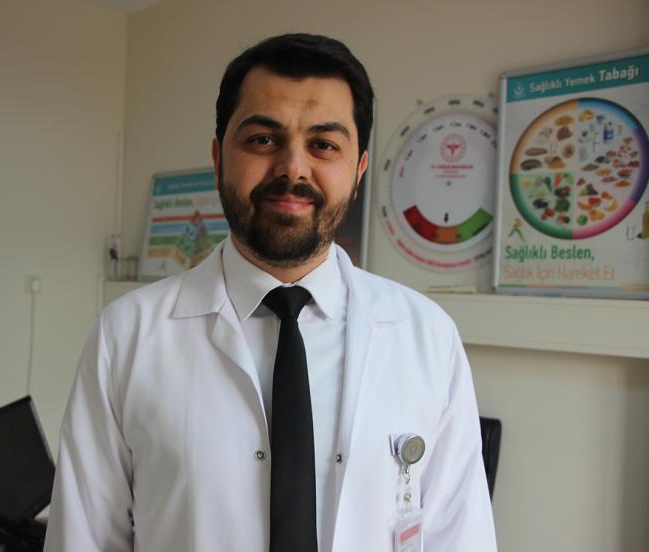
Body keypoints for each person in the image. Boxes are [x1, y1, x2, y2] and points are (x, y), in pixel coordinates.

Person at [44, 33, 497, 551]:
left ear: (359, 170)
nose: (292, 168)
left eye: (324, 145)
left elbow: (459, 537)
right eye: (263, 139)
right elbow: (83, 540)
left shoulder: (428, 336)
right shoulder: (125, 336)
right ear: (218, 157)